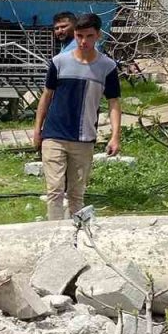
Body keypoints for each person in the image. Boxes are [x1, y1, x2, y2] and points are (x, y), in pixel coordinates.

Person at [33, 12, 122, 221]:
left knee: (76, 194)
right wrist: (38, 130)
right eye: (79, 36)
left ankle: (76, 236)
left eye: (89, 36)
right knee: (54, 190)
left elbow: (114, 102)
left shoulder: (107, 67)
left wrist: (115, 135)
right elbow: (46, 96)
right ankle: (55, 235)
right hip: (54, 135)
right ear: (75, 35)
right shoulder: (59, 62)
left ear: (98, 36)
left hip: (84, 138)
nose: (83, 41)